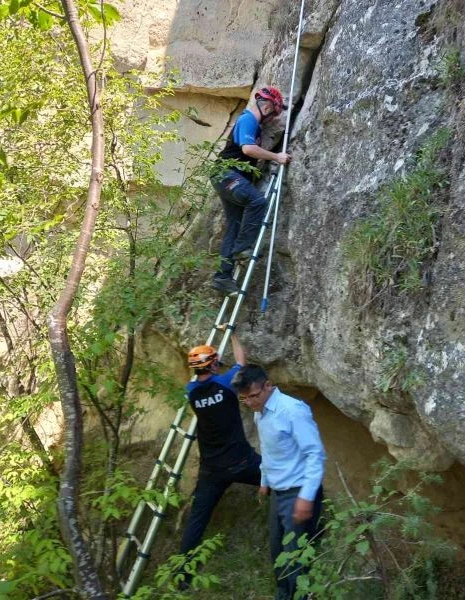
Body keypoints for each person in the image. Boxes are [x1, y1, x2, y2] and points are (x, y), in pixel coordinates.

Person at [232, 365, 326, 600]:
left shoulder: (292, 411)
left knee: (296, 559)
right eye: (244, 399)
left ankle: (301, 596)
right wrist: (264, 480)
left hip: (299, 492)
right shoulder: (260, 411)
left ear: (268, 385)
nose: (250, 403)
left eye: (254, 396)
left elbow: (315, 454)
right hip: (278, 492)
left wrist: (306, 497)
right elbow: (269, 449)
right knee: (278, 553)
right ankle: (283, 595)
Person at [178, 331, 262, 561]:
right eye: (215, 361)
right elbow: (241, 362)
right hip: (241, 461)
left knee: (198, 519)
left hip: (212, 468)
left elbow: (198, 378)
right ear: (213, 365)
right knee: (284, 481)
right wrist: (233, 334)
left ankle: (182, 574)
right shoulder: (226, 384)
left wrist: (202, 363)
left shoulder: (191, 392)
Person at [210, 86, 293, 295]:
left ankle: (222, 276)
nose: (272, 117)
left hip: (228, 177)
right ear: (266, 106)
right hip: (227, 175)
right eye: (273, 112)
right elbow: (248, 149)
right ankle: (241, 249)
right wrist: (276, 157)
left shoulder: (253, 124)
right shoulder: (248, 119)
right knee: (257, 201)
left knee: (234, 225)